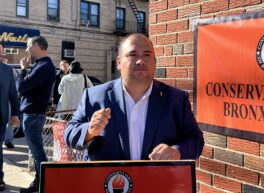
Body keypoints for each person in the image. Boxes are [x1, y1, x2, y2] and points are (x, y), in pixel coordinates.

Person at [64, 33, 204, 161]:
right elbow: (69, 134)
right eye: (133, 55)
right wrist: (89, 131)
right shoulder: (94, 96)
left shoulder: (176, 99)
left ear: (154, 62)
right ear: (118, 63)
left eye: (147, 55)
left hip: (159, 185)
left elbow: (196, 139)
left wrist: (177, 151)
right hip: (109, 186)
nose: (140, 61)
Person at [16, 36, 56, 193]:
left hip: (33, 116)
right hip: (31, 115)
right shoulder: (41, 66)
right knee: (36, 153)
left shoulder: (44, 67)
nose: (26, 50)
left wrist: (23, 70)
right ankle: (38, 185)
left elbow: (21, 88)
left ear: (37, 46)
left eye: (28, 46)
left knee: (39, 156)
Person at [0, 43, 20, 191]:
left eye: (2, 51)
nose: (2, 54)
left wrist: (15, 114)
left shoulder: (7, 70)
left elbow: (13, 95)